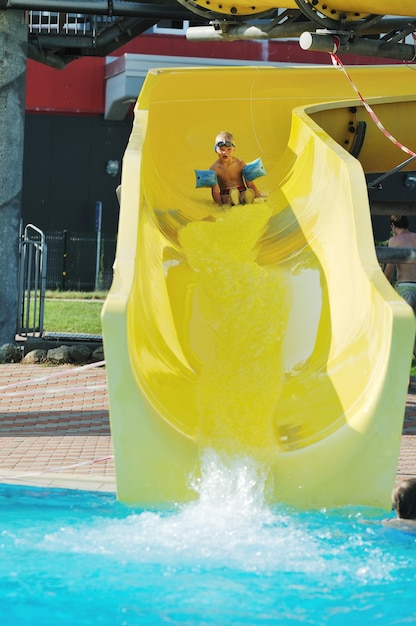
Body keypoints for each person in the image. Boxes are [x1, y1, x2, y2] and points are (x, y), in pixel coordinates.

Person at [384, 214, 416, 355]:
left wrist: (382, 288)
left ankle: (404, 376)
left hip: (405, 288)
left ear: (392, 226)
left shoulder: (394, 240)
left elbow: (390, 268)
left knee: (404, 332)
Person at [210, 131, 261, 207]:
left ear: (234, 149)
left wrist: (258, 196)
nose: (225, 152)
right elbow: (215, 191)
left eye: (229, 149)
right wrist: (220, 206)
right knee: (226, 199)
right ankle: (233, 200)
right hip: (226, 193)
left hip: (242, 190)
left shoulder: (240, 163)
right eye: (222, 149)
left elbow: (250, 183)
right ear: (215, 150)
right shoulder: (214, 169)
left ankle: (245, 199)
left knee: (246, 194)